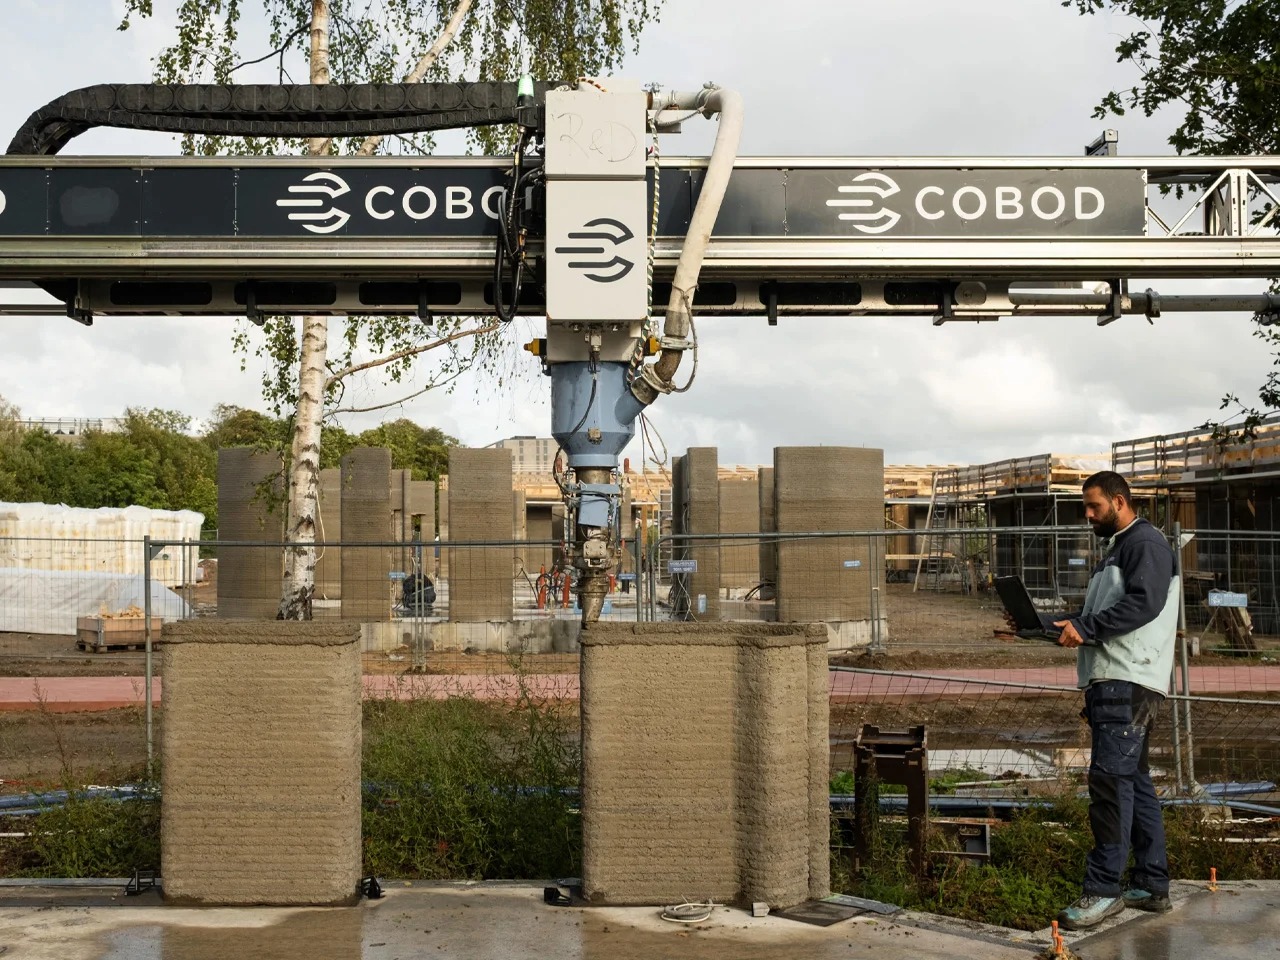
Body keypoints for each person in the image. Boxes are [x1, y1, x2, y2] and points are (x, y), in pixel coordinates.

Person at [1040, 471, 1181, 930]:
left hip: (1128, 679)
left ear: (1119, 501)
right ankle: (1151, 884)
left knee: (1109, 784)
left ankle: (1103, 891)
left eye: (1093, 506)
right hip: (1117, 678)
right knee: (1133, 782)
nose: (1087, 514)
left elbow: (1145, 603)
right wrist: (1041, 625)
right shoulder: (1117, 548)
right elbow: (1092, 618)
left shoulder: (1146, 544)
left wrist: (1089, 628)